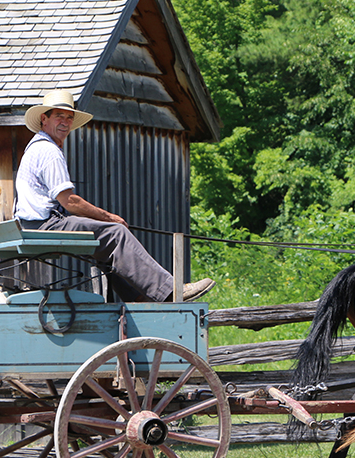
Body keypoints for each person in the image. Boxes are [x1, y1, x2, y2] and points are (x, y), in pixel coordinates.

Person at [13, 89, 215, 303]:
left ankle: (138, 296)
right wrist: (109, 217)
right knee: (116, 233)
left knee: (101, 241)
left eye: (69, 117)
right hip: (45, 225)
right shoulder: (48, 151)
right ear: (44, 119)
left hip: (33, 225)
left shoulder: (37, 147)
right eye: (59, 116)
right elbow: (69, 201)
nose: (65, 122)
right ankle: (170, 291)